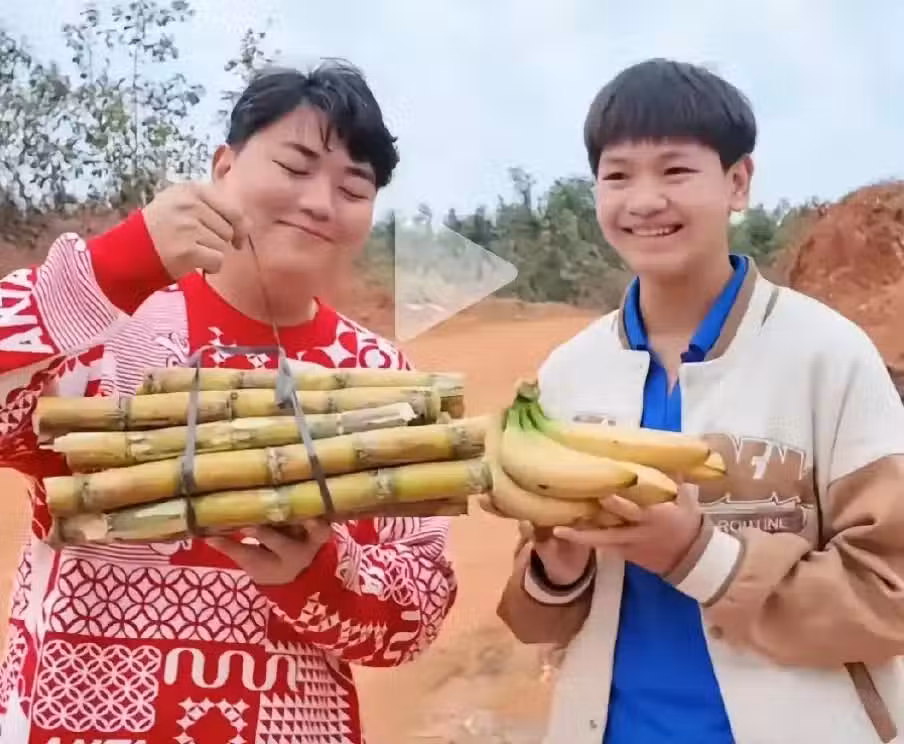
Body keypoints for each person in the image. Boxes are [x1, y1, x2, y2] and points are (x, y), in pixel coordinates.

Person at [0, 60, 458, 743]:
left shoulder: (382, 378)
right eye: (295, 166)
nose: (320, 203)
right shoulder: (109, 331)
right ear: (223, 167)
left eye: (353, 188)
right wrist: (117, 264)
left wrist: (317, 574)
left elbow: (417, 612)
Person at [495, 58, 904, 744]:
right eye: (618, 176)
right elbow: (536, 620)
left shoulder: (828, 355)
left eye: (675, 170)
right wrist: (556, 570)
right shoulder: (568, 373)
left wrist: (698, 554)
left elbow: (889, 594)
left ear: (738, 182)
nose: (644, 200)